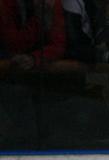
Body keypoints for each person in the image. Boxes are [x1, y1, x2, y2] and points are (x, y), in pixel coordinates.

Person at [0, 0, 66, 148]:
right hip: (10, 83)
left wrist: (35, 58)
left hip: (47, 82)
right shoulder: (6, 4)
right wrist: (39, 19)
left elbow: (59, 45)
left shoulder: (51, 4)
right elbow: (13, 44)